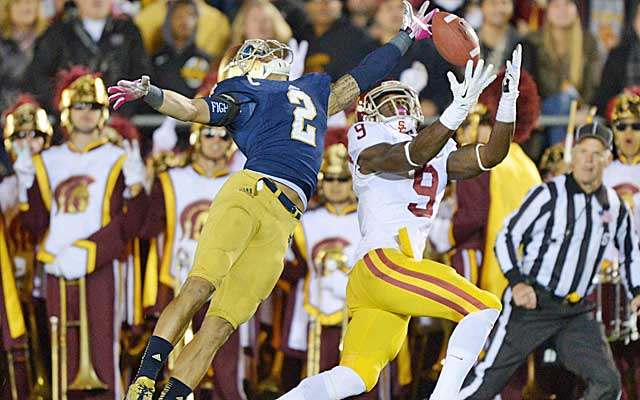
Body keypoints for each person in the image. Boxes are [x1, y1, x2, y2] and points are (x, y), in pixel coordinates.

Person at [109, 2, 438, 398]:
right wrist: (153, 94)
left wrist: (405, 38)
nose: (261, 52)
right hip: (252, 192)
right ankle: (144, 380)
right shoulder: (242, 93)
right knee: (199, 286)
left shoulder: (312, 91)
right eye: (254, 53)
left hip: (284, 221)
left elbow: (361, 76)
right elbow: (194, 109)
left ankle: (173, 396)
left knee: (219, 327)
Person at [280, 46, 521, 400]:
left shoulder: (436, 146)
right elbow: (405, 158)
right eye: (389, 104)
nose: (400, 109)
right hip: (384, 263)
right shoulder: (366, 138)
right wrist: (453, 115)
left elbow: (491, 155)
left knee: (355, 376)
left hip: (385, 276)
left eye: (403, 102)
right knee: (484, 306)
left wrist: (507, 103)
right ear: (370, 114)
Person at [460, 123, 640, 400]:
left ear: (607, 159)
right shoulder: (549, 195)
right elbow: (507, 235)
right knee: (486, 382)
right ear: (573, 155)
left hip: (576, 310)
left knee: (608, 384)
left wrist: (637, 290)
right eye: (583, 152)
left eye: (596, 154)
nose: (588, 161)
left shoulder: (614, 205)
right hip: (534, 302)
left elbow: (629, 251)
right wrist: (518, 283)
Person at [15, 67, 148, 400]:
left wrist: (136, 189)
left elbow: (132, 225)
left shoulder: (119, 158)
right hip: (56, 265)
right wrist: (25, 186)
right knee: (63, 351)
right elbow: (35, 225)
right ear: (66, 111)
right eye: (80, 106)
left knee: (103, 346)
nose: (87, 113)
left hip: (101, 265)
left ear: (104, 112)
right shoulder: (48, 160)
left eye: (94, 106)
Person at [140, 123, 251, 399]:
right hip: (180, 282)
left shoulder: (245, 182)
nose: (216, 140)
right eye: (209, 133)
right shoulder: (171, 179)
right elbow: (147, 229)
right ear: (195, 138)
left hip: (227, 286)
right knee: (173, 371)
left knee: (227, 371)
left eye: (224, 135)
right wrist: (140, 182)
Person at [23, 0, 152, 114]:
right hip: (68, 127)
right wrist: (68, 108)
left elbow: (141, 76)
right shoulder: (57, 33)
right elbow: (38, 78)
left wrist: (118, 113)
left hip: (118, 124)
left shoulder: (129, 32)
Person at [151, 0, 211, 98]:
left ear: (197, 20)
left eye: (190, 15)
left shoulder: (207, 60)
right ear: (169, 20)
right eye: (179, 16)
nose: (184, 21)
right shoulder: (154, 60)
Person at [0, 0, 49, 110]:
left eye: (30, 1)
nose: (26, 6)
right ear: (7, 8)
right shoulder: (2, 43)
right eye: (18, 2)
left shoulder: (52, 38)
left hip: (44, 116)